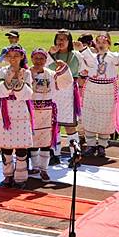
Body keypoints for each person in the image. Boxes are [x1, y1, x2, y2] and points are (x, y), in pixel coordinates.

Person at [74, 33, 119, 158]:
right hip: (92, 89)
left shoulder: (114, 57)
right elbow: (85, 62)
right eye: (99, 42)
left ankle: (102, 145)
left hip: (107, 90)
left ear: (109, 44)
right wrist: (81, 48)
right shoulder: (91, 56)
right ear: (95, 44)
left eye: (104, 42)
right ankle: (91, 145)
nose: (101, 45)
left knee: (106, 117)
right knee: (89, 115)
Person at [29, 48, 73, 181]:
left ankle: (44, 169)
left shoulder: (50, 74)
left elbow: (66, 80)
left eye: (42, 58)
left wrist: (64, 67)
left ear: (46, 60)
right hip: (32, 111)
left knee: (45, 141)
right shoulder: (26, 73)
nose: (39, 61)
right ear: (32, 59)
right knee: (33, 141)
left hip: (47, 111)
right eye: (36, 58)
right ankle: (35, 166)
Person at [0, 45, 34, 189]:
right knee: (6, 147)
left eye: (16, 55)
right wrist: (8, 80)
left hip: (21, 112)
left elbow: (28, 94)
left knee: (22, 148)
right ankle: (8, 175)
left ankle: (20, 178)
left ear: (22, 56)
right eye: (10, 56)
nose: (13, 59)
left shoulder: (27, 73)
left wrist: (18, 84)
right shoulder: (1, 71)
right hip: (5, 112)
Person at [46, 29, 85, 166]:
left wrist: (84, 49)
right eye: (58, 38)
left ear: (69, 41)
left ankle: (75, 155)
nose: (60, 41)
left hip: (68, 93)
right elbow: (42, 67)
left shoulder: (76, 55)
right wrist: (50, 53)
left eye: (64, 39)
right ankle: (54, 154)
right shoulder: (50, 54)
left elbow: (89, 66)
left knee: (69, 125)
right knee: (53, 125)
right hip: (53, 91)